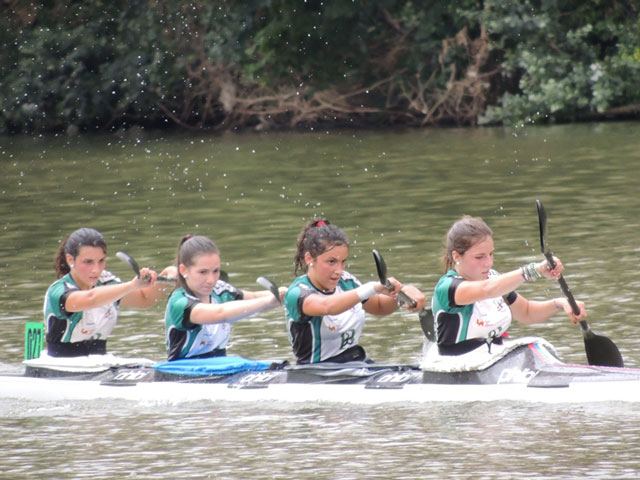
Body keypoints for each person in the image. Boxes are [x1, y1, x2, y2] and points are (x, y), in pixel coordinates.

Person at [432, 215, 587, 356]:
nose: (489, 263)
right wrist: (534, 270)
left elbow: (527, 312)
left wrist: (560, 303)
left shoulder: (494, 279)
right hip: (457, 370)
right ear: (456, 256)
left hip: (491, 362)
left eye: (491, 254)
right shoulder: (448, 288)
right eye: (479, 257)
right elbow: (487, 290)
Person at [284, 219, 425, 364]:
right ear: (309, 258)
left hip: (354, 363)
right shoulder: (297, 293)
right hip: (316, 373)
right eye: (331, 262)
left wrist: (403, 295)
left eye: (343, 261)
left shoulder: (347, 282)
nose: (339, 271)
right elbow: (327, 306)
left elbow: (380, 307)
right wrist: (373, 287)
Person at [44, 227, 176, 357]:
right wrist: (132, 285)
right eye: (88, 262)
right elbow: (91, 299)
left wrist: (167, 274)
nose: (96, 269)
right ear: (70, 260)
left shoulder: (107, 282)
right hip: (62, 366)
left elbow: (145, 298)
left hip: (99, 365)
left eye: (101, 261)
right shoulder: (59, 290)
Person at [164, 234, 286, 361]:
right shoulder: (179, 302)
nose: (211, 280)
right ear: (183, 270)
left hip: (219, 367)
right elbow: (220, 313)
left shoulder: (220, 290)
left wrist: (281, 295)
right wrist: (267, 301)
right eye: (203, 272)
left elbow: (254, 297)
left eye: (216, 271)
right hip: (183, 372)